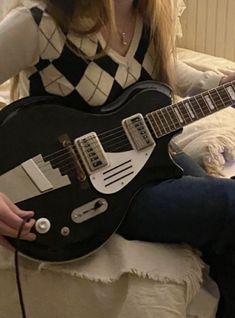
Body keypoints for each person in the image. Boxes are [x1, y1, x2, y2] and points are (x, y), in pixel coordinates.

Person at [0, 0, 235, 317]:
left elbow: (163, 67)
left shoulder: (149, 17)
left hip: (150, 160)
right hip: (85, 197)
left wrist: (218, 85)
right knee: (228, 203)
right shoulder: (38, 23)